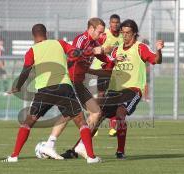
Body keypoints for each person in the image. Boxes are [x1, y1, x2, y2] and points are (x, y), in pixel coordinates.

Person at [62, 19, 164, 159]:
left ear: (134, 33)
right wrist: (91, 71)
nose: (125, 35)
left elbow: (156, 60)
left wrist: (159, 49)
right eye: (123, 33)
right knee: (97, 116)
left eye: (128, 33)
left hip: (132, 89)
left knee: (120, 113)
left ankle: (120, 151)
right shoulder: (116, 50)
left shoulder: (141, 48)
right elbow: (109, 71)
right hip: (114, 90)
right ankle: (76, 149)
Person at [2, 23, 101, 163]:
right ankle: (91, 157)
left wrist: (17, 87)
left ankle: (14, 156)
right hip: (64, 87)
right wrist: (84, 54)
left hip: (44, 91)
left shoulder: (32, 51)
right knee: (81, 121)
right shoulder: (59, 43)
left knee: (28, 122)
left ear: (33, 36)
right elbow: (75, 52)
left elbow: (25, 71)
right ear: (46, 33)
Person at [43, 17, 113, 159]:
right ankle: (50, 145)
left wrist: (115, 60)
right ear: (91, 29)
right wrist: (94, 50)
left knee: (95, 112)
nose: (101, 36)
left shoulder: (94, 43)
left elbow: (105, 59)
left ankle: (79, 146)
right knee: (72, 114)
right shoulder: (81, 39)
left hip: (79, 83)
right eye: (99, 32)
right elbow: (73, 55)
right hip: (70, 81)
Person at [91, 14, 124, 137]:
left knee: (115, 96)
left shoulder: (122, 36)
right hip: (103, 69)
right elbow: (95, 48)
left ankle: (113, 126)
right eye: (113, 22)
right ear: (110, 24)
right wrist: (105, 50)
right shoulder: (104, 35)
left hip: (117, 70)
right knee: (102, 95)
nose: (115, 24)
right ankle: (95, 122)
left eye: (117, 22)